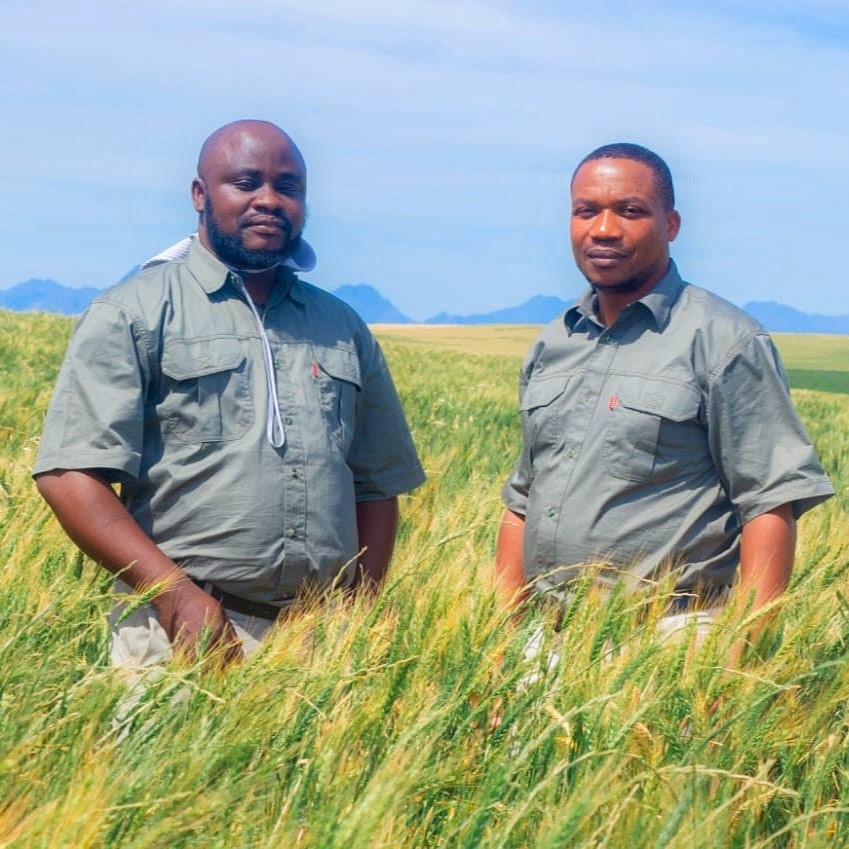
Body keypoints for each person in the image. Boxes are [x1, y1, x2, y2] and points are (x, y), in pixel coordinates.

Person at [34, 119, 425, 669]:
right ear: (200, 194)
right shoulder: (134, 311)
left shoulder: (341, 326)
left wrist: (360, 612)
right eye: (245, 183)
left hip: (319, 642)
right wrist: (173, 595)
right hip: (175, 633)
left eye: (287, 187)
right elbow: (70, 474)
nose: (269, 200)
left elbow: (377, 483)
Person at [495, 142, 833, 655]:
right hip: (547, 639)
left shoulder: (724, 340)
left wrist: (742, 654)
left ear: (671, 225)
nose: (603, 229)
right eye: (586, 211)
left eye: (630, 211)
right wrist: (499, 641)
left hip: (668, 641)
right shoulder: (554, 343)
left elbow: (769, 501)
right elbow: (522, 501)